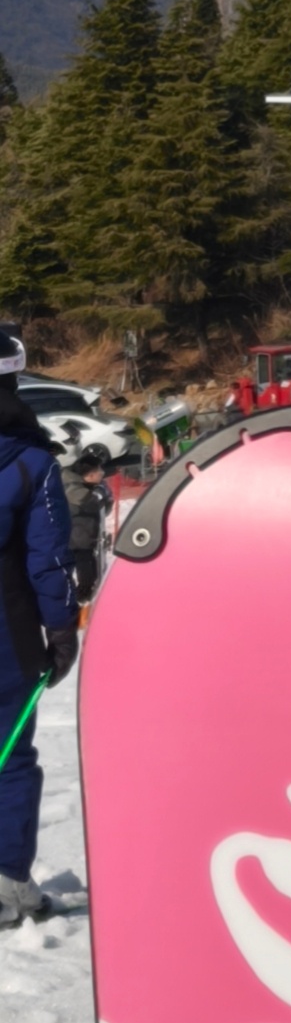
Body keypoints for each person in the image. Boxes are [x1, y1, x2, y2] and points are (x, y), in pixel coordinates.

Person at [0, 332, 80, 926]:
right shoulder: (31, 463)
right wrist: (62, 629)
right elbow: (48, 559)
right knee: (8, 760)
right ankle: (6, 882)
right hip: (10, 639)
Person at [60, 445, 113, 607]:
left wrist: (103, 494)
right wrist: (101, 495)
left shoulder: (87, 486)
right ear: (89, 476)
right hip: (77, 539)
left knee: (92, 568)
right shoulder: (74, 489)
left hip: (86, 537)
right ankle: (82, 596)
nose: (102, 474)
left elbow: (106, 506)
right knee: (85, 570)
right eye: (99, 472)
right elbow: (93, 503)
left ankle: (87, 593)